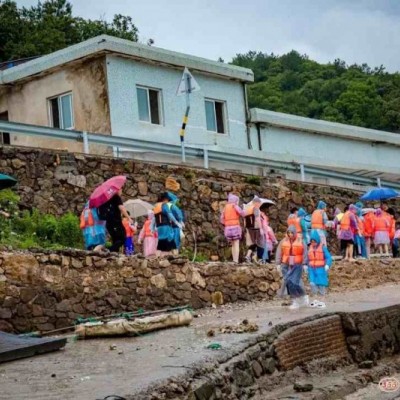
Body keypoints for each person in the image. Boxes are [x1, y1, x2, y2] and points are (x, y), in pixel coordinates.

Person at [275, 225, 309, 310]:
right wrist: (278, 263)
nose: (290, 234)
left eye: (292, 232)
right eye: (288, 232)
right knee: (289, 282)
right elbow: (279, 252)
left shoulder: (301, 241)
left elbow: (305, 252)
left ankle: (298, 299)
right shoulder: (283, 241)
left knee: (294, 282)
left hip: (296, 264)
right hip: (285, 264)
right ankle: (299, 298)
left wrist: (305, 264)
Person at [304, 229, 332, 309]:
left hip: (321, 269)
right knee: (312, 284)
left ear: (318, 240)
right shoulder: (310, 248)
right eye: (312, 242)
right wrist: (305, 265)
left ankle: (322, 300)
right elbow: (307, 258)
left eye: (314, 241)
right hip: (312, 269)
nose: (313, 243)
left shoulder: (323, 248)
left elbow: (328, 257)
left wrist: (327, 265)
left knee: (321, 285)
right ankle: (315, 299)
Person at [220, 193, 245, 263]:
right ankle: (236, 260)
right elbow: (242, 213)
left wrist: (226, 224)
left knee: (233, 244)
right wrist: (245, 210)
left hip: (228, 228)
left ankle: (234, 260)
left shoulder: (225, 207)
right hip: (235, 228)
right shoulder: (235, 206)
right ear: (235, 200)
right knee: (236, 243)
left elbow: (221, 218)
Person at [244, 196, 263, 263]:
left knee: (253, 243)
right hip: (255, 228)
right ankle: (249, 256)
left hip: (249, 227)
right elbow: (257, 219)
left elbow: (245, 219)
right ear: (256, 202)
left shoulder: (247, 208)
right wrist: (261, 228)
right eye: (259, 203)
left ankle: (252, 257)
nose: (260, 204)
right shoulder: (256, 209)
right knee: (256, 243)